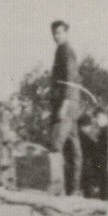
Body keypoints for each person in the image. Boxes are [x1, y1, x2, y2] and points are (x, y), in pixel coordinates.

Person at [47, 20, 82, 195]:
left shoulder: (65, 51)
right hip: (72, 106)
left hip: (66, 105)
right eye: (54, 33)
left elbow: (69, 79)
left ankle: (57, 188)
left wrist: (64, 104)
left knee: (56, 145)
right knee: (74, 149)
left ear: (66, 33)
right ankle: (73, 189)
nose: (56, 36)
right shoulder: (65, 50)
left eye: (60, 32)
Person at [76, 108, 108, 200]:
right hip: (102, 162)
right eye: (96, 118)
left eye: (98, 117)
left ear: (105, 116)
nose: (97, 120)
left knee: (105, 184)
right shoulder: (100, 130)